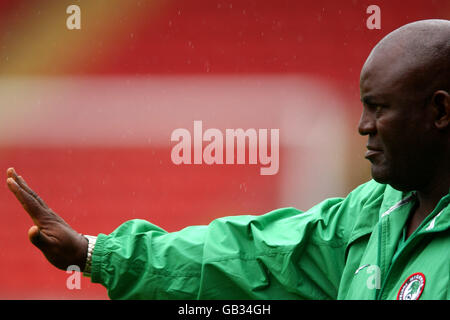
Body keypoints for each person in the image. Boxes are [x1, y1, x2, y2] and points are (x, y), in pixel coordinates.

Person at [6, 19, 450, 300]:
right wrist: (94, 253)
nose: (362, 125)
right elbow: (253, 256)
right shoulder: (376, 211)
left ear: (440, 111)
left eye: (378, 108)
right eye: (362, 106)